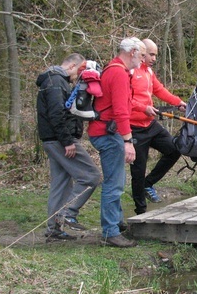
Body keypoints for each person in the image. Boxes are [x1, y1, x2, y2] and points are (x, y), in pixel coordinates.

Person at [36, 53, 101, 241]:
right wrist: (67, 141)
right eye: (79, 71)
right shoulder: (56, 82)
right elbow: (56, 114)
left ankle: (54, 229)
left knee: (61, 183)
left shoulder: (51, 80)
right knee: (91, 176)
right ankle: (67, 213)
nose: (78, 78)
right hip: (59, 140)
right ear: (72, 66)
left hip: (52, 140)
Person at [88, 38, 144, 247]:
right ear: (132, 53)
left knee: (116, 180)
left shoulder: (113, 70)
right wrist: (128, 141)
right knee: (114, 183)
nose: (143, 59)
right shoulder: (118, 73)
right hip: (107, 134)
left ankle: (117, 223)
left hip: (105, 132)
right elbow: (121, 111)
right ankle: (110, 232)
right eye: (141, 55)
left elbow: (125, 106)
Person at [129, 38, 186, 214]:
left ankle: (149, 183)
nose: (154, 58)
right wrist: (142, 108)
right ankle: (141, 211)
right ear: (142, 53)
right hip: (133, 126)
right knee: (138, 169)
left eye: (155, 55)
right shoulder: (130, 71)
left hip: (150, 124)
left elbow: (159, 90)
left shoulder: (149, 72)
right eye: (151, 54)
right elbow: (124, 99)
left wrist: (178, 102)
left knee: (174, 149)